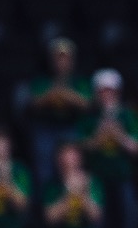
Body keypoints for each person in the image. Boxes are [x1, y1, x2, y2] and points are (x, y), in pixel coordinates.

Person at [78, 70, 138, 228]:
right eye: (102, 92)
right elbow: (84, 148)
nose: (107, 96)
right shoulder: (89, 118)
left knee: (127, 224)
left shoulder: (129, 116)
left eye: (110, 91)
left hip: (123, 177)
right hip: (97, 179)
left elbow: (137, 148)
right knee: (99, 226)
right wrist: (100, 132)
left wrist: (118, 134)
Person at [23, 38, 90, 190]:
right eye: (58, 57)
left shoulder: (79, 81)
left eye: (65, 57)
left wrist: (63, 94)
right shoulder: (41, 79)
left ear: (72, 60)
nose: (62, 61)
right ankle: (47, 204)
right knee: (44, 171)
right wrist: (54, 94)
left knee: (73, 166)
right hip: (46, 128)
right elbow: (33, 103)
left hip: (70, 126)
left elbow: (86, 103)